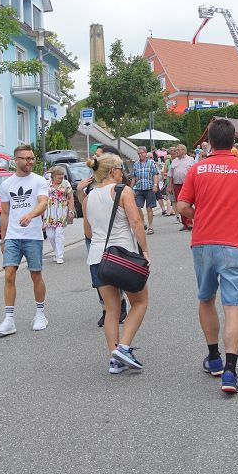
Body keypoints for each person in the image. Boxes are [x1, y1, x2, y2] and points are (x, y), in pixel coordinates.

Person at [176, 118, 238, 393]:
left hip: (203, 242)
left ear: (210, 141)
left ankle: (213, 358)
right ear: (233, 143)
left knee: (206, 299)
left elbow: (181, 205)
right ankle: (230, 372)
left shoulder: (197, 169)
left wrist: (201, 216)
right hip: (234, 243)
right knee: (232, 307)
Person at [85, 152, 151, 374]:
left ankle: (114, 360)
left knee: (111, 309)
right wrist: (145, 251)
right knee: (140, 302)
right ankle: (123, 347)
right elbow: (136, 222)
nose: (123, 174)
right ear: (113, 171)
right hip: (123, 255)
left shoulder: (89, 196)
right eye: (121, 169)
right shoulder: (123, 191)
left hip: (98, 258)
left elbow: (87, 231)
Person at [0, 144, 50, 336]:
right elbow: (4, 212)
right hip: (12, 237)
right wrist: (2, 239)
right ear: (16, 160)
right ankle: (9, 320)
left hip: (32, 237)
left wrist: (30, 215)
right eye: (26, 158)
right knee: (9, 275)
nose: (30, 161)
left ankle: (40, 314)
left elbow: (43, 203)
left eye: (32, 158)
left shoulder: (39, 181)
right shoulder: (6, 184)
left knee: (36, 275)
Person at [77, 147, 127, 328]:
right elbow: (86, 210)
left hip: (112, 236)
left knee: (116, 271)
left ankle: (119, 304)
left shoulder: (119, 182)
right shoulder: (90, 183)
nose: (94, 158)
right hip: (95, 237)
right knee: (102, 272)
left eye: (98, 155)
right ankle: (107, 308)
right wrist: (79, 191)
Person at [43, 165, 74, 265]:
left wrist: (70, 211)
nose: (61, 177)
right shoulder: (46, 184)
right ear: (53, 176)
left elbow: (70, 198)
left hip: (61, 212)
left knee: (59, 234)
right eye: (59, 176)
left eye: (62, 175)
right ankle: (57, 253)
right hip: (49, 213)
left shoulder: (66, 184)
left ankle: (60, 256)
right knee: (50, 235)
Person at [130, 146, 159, 234]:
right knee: (137, 207)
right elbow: (134, 177)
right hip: (139, 188)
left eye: (141, 153)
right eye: (138, 153)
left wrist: (155, 185)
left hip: (149, 187)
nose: (140, 155)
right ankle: (143, 223)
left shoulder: (151, 163)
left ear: (145, 153)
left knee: (149, 208)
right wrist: (131, 188)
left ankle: (150, 227)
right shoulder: (136, 164)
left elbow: (155, 174)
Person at [170, 144, 195, 231]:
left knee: (186, 203)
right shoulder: (174, 161)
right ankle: (185, 223)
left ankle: (190, 222)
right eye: (176, 150)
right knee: (179, 204)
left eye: (178, 150)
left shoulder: (190, 160)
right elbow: (170, 175)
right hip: (177, 184)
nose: (177, 152)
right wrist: (170, 186)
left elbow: (194, 171)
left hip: (187, 184)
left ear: (184, 150)